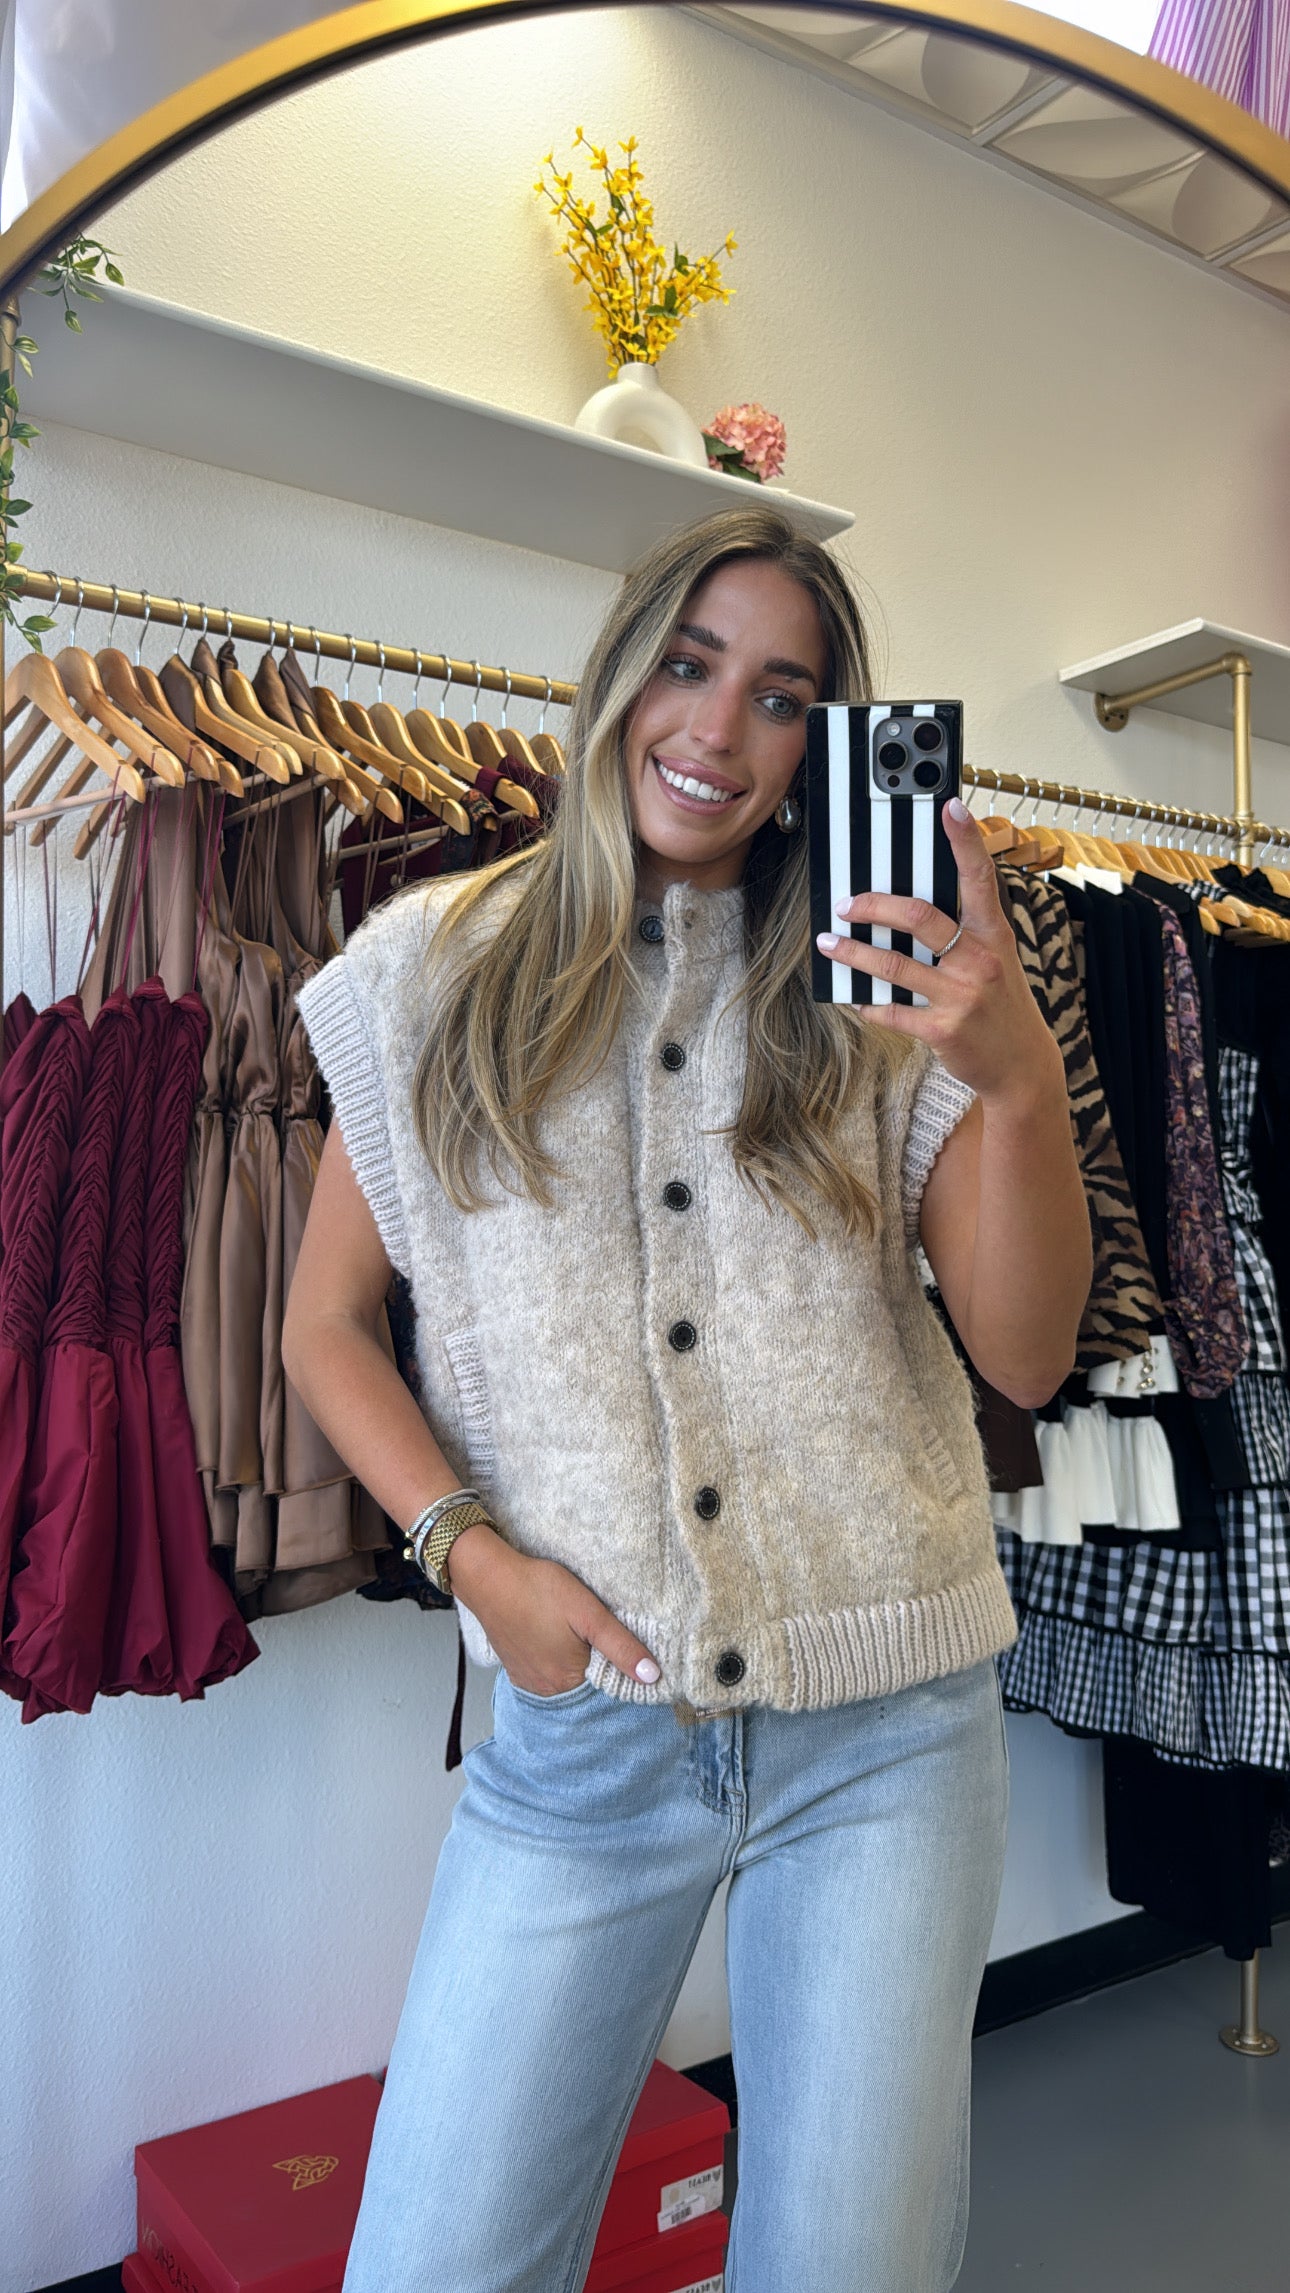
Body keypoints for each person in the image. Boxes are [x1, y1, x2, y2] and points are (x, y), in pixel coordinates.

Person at [284, 504, 1091, 2293]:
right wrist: (471, 1557)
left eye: (783, 696)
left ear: (821, 745)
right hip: (582, 1747)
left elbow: (1027, 1354)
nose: (719, 729)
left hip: (887, 1733)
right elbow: (324, 1325)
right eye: (690, 662)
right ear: (619, 674)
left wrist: (1015, 1076)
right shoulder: (430, 968)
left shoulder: (881, 991)